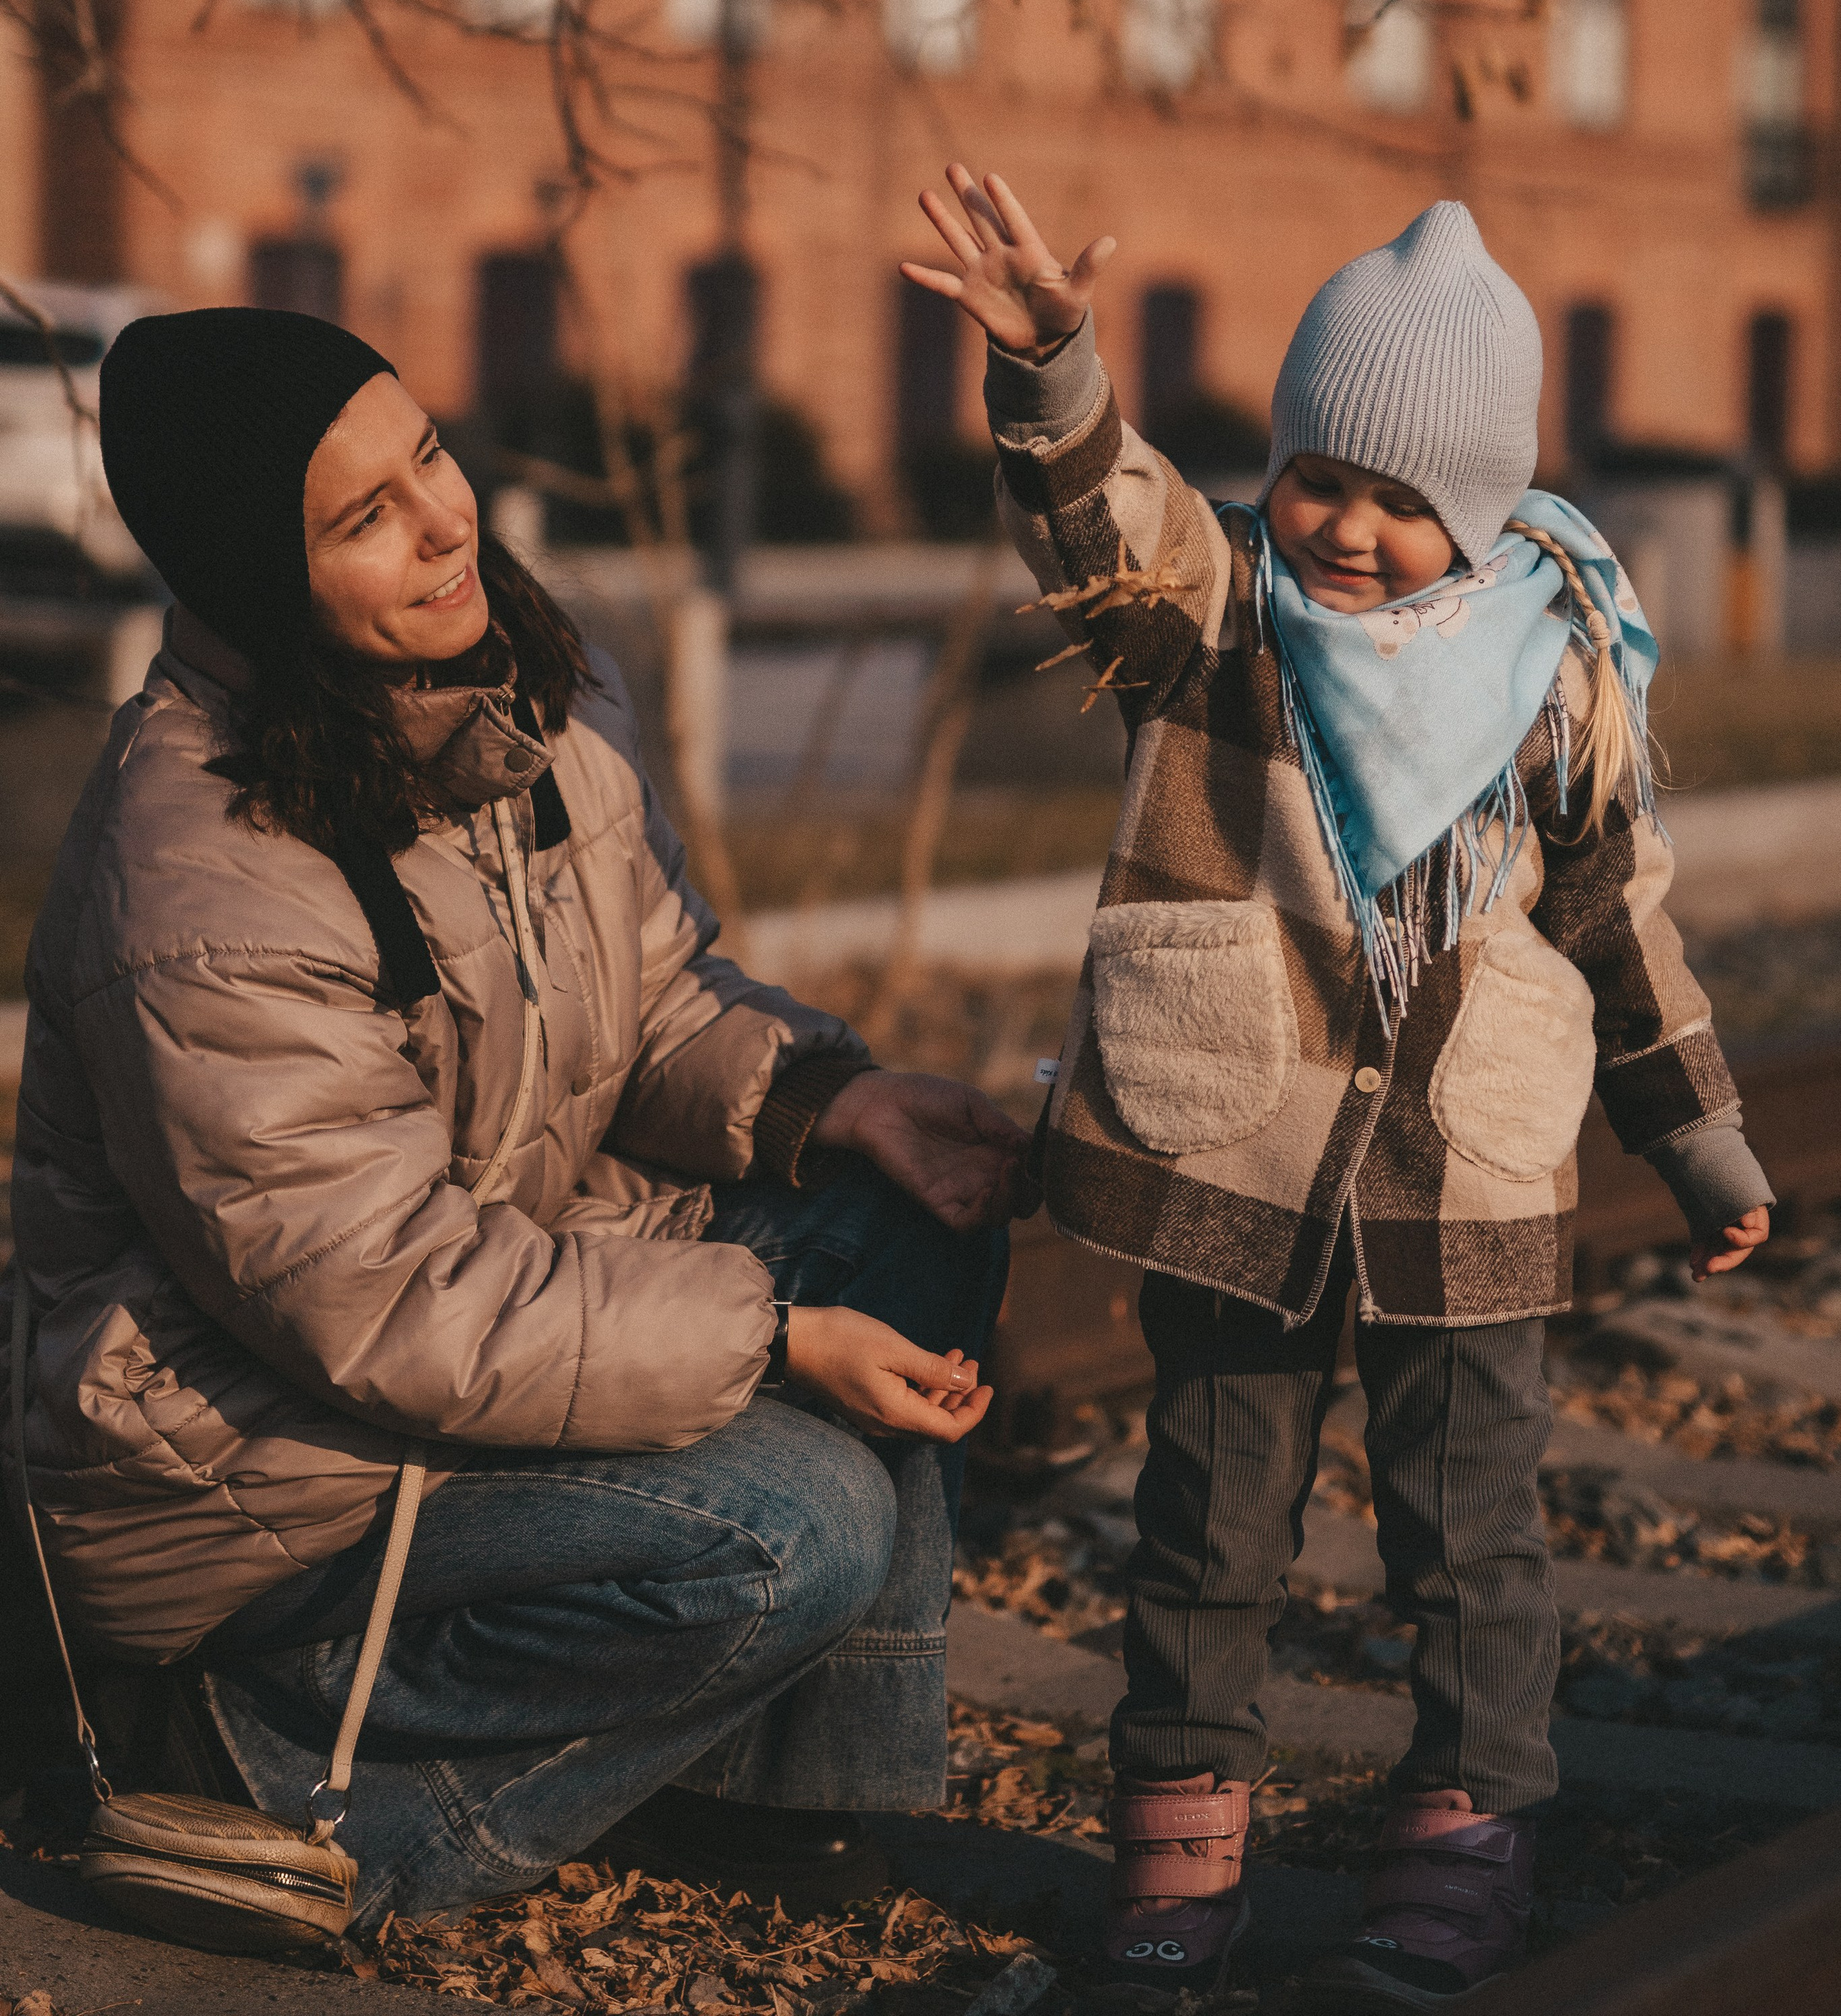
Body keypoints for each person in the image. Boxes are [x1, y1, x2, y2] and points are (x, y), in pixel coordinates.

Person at [1, 307, 1023, 1941]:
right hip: (255, 1471)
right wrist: (772, 1338)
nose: (442, 524)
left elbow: (650, 1004)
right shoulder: (202, 877)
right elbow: (388, 1298)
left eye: (428, 457)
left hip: (469, 1322)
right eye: (365, 519)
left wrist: (838, 1105)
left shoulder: (516, 697)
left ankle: (795, 1798)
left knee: (914, 1215)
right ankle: (277, 1771)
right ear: (266, 582)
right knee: (796, 1526)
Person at [903, 174, 1772, 2012]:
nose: (1348, 530)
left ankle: (1460, 1847)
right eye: (1321, 480)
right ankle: (1174, 1853)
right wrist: (1053, 369)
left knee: (1469, 1548)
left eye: (1398, 500)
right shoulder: (1215, 615)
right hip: (1239, 1152)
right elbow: (1093, 522)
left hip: (1465, 1175)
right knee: (1206, 1527)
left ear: (1474, 509)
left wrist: (1691, 1132)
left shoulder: (1555, 670)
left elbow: (1620, 913)